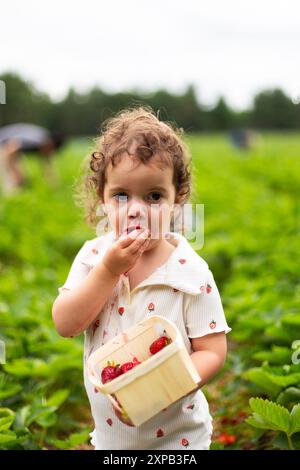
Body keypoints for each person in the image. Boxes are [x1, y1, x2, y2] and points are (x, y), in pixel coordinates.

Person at [52, 106, 232, 450]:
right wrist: (108, 271)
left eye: (153, 196)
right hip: (111, 438)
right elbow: (66, 324)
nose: (136, 209)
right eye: (121, 195)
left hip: (180, 440)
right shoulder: (92, 259)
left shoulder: (190, 272)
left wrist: (164, 388)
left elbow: (212, 350)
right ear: (102, 200)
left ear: (176, 201)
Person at [0, 123, 63, 194]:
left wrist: (54, 186)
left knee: (21, 181)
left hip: (15, 151)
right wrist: (14, 172)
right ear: (50, 143)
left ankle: (19, 196)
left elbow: (47, 167)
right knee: (12, 180)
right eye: (50, 150)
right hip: (4, 144)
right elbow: (10, 149)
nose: (49, 153)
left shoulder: (45, 145)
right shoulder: (35, 141)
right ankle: (10, 197)